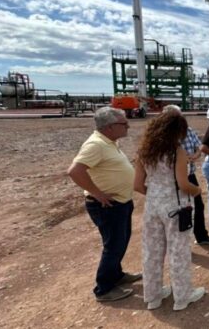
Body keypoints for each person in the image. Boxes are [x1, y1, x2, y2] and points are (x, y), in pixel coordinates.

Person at [68, 107, 141, 302]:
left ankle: (116, 275)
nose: (128, 126)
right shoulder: (96, 145)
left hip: (121, 203)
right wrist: (97, 193)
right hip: (108, 206)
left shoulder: (109, 142)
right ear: (110, 127)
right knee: (113, 246)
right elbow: (75, 171)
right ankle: (104, 288)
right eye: (124, 123)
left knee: (121, 242)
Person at [134, 112, 206, 311]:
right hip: (176, 206)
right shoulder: (177, 152)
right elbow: (184, 184)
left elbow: (137, 185)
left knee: (152, 251)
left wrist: (155, 194)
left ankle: (153, 296)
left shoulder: (144, 152)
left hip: (152, 206)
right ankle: (182, 296)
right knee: (178, 251)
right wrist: (198, 190)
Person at [162, 105, 209, 246]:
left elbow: (199, 146)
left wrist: (195, 155)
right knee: (175, 210)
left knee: (198, 205)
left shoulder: (188, 131)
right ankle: (175, 242)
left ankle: (201, 236)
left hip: (190, 175)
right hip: (172, 178)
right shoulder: (163, 136)